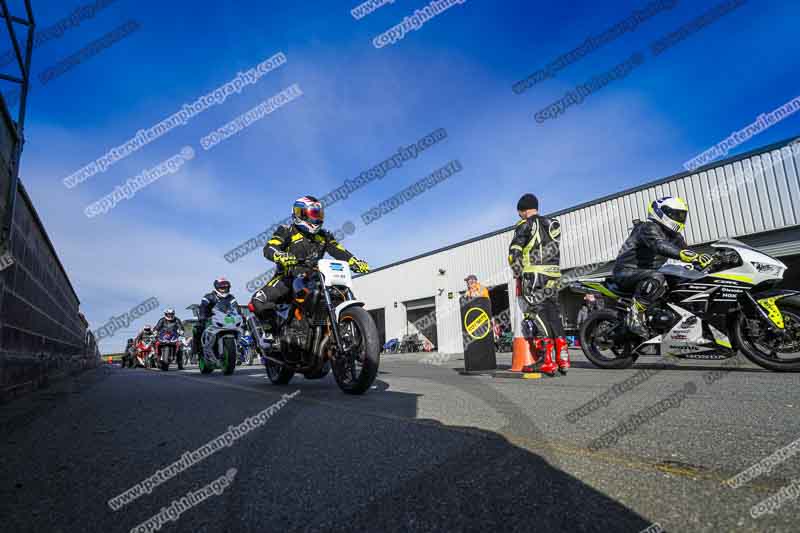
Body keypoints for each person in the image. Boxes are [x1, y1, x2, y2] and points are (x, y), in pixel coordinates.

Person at [250, 195, 370, 326]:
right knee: (258, 301)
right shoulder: (286, 230)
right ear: (300, 214)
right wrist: (280, 255)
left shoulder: (324, 236)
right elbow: (270, 247)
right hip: (287, 278)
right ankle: (273, 334)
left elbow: (338, 250)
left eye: (319, 214)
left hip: (313, 278)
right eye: (313, 213)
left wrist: (354, 261)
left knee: (338, 292)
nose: (317, 218)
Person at [612, 196, 713, 336]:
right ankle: (634, 314)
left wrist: (703, 260)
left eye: (682, 215)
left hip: (645, 274)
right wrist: (686, 256)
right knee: (657, 276)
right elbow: (659, 245)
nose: (679, 217)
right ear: (660, 212)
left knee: (683, 277)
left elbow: (686, 251)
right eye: (675, 214)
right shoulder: (646, 227)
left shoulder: (674, 235)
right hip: (626, 272)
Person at [508, 193, 568, 375]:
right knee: (554, 314)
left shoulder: (525, 225)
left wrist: (517, 272)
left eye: (519, 213)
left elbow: (514, 253)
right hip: (554, 275)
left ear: (523, 210)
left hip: (534, 275)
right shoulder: (553, 224)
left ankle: (547, 361)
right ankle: (563, 359)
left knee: (537, 314)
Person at [193, 278, 242, 364]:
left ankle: (237, 351)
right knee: (197, 329)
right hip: (210, 319)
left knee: (240, 328)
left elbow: (236, 307)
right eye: (222, 288)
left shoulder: (231, 297)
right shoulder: (208, 296)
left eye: (226, 288)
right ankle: (196, 353)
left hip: (226, 320)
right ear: (216, 287)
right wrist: (202, 316)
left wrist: (241, 315)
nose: (224, 290)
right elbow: (203, 306)